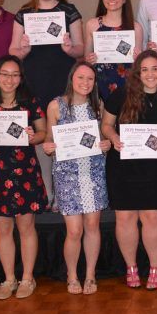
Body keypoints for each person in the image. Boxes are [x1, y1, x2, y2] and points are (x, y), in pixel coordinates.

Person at [0, 55, 48, 300]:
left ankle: (27, 277)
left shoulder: (31, 103)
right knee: (2, 229)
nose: (9, 79)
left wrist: (32, 135)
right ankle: (9, 278)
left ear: (21, 78)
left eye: (15, 74)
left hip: (25, 171)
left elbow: (43, 134)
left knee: (26, 227)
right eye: (5, 74)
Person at [101, 50, 157, 291]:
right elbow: (106, 124)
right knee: (125, 217)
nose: (150, 74)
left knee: (152, 216)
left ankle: (155, 267)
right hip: (123, 164)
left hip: (154, 166)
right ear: (137, 72)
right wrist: (113, 138)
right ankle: (131, 267)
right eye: (145, 69)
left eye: (155, 68)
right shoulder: (121, 94)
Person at [9, 0, 85, 205]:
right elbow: (12, 51)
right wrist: (23, 50)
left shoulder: (69, 11)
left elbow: (81, 49)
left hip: (63, 80)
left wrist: (70, 48)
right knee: (42, 136)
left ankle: (66, 193)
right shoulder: (24, 13)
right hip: (34, 81)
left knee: (64, 133)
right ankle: (47, 194)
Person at [43, 61, 112, 295]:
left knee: (92, 225)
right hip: (67, 173)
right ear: (72, 78)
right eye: (81, 78)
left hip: (93, 171)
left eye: (90, 79)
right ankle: (72, 276)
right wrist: (48, 146)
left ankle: (90, 275)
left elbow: (104, 138)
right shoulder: (55, 106)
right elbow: (49, 142)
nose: (85, 83)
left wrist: (106, 144)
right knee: (74, 231)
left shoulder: (98, 105)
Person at [84, 0, 144, 101]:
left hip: (128, 85)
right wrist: (90, 59)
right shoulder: (92, 24)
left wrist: (139, 58)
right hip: (100, 83)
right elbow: (86, 60)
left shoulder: (135, 27)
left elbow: (139, 64)